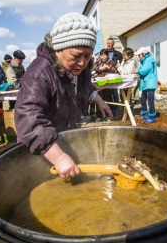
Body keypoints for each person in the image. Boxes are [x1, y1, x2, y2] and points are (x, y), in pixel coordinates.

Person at [15, 12, 112, 179]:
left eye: (88, 56)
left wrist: (97, 98)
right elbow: (28, 116)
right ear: (58, 48)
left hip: (64, 134)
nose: (82, 63)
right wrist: (58, 157)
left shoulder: (78, 67)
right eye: (76, 55)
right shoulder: (39, 73)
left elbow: (85, 85)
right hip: (42, 146)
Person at [92, 48, 119, 119]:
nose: (103, 57)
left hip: (108, 84)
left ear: (107, 56)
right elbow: (93, 69)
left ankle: (109, 115)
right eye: (101, 55)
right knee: (99, 98)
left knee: (108, 98)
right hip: (99, 83)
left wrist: (109, 68)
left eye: (104, 55)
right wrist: (99, 69)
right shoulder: (98, 62)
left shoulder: (111, 62)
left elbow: (116, 71)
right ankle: (99, 115)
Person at [134, 47, 158, 124]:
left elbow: (143, 72)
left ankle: (152, 117)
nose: (138, 57)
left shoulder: (149, 60)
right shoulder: (144, 60)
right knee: (143, 99)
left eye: (139, 55)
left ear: (143, 54)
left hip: (150, 83)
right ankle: (145, 113)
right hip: (145, 83)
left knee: (150, 101)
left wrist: (138, 66)